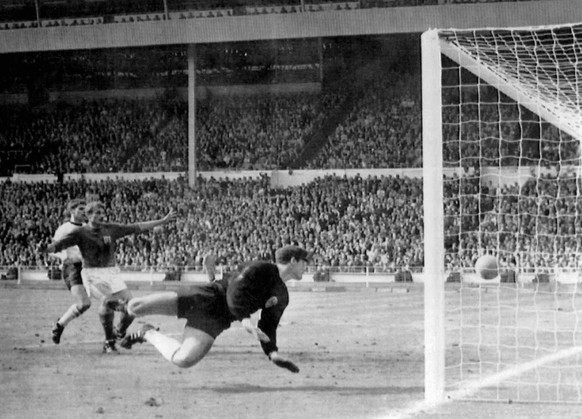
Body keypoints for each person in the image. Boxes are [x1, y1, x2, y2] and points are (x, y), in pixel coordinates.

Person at [108, 245, 309, 373]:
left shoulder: (282, 295)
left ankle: (147, 332)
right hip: (206, 296)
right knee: (136, 306)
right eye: (305, 262)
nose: (306, 267)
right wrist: (245, 319)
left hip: (217, 319)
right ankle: (121, 307)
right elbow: (234, 292)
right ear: (293, 260)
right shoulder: (260, 267)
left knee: (184, 360)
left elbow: (268, 325)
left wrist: (272, 353)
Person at [39, 201, 177, 353]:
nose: (101, 216)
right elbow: (59, 245)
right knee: (107, 301)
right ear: (89, 215)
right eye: (97, 213)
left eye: (102, 213)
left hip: (112, 273)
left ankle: (119, 334)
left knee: (132, 307)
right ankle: (109, 342)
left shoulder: (110, 228)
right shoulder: (80, 232)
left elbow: (137, 227)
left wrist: (162, 221)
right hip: (92, 273)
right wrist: (45, 249)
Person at [48, 198, 91, 344]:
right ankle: (59, 325)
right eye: (80, 209)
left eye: (85, 209)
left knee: (105, 299)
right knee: (83, 303)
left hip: (88, 268)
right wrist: (64, 257)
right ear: (72, 211)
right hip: (72, 268)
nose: (84, 212)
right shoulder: (64, 229)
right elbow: (51, 250)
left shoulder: (87, 228)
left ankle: (114, 335)